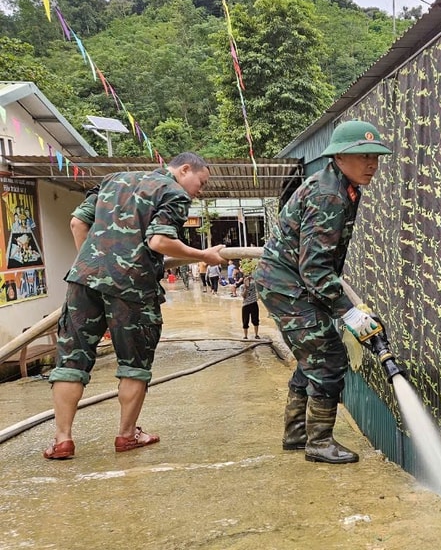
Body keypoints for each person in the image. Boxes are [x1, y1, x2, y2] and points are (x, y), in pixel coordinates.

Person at [42, 152, 226, 460]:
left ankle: (62, 440)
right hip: (133, 286)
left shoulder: (114, 180)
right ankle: (127, 436)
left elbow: (77, 223)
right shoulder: (173, 193)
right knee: (134, 364)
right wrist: (204, 256)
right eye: (201, 182)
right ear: (184, 170)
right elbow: (159, 242)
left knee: (71, 361)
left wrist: (93, 266)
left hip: (85, 280)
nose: (200, 191)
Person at [256, 120, 391, 464]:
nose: (372, 164)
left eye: (375, 155)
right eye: (363, 156)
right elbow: (314, 269)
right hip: (288, 286)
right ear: (340, 157)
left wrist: (349, 309)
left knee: (312, 355)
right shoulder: (328, 194)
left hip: (292, 283)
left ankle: (296, 434)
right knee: (328, 359)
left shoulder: (343, 186)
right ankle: (317, 442)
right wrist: (351, 313)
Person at [241, 273, 260, 339]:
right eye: (245, 280)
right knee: (245, 321)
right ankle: (245, 336)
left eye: (247, 280)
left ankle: (256, 335)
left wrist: (251, 277)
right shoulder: (242, 287)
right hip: (245, 305)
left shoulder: (253, 285)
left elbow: (258, 280)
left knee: (255, 320)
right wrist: (246, 288)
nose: (246, 281)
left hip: (254, 303)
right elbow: (243, 296)